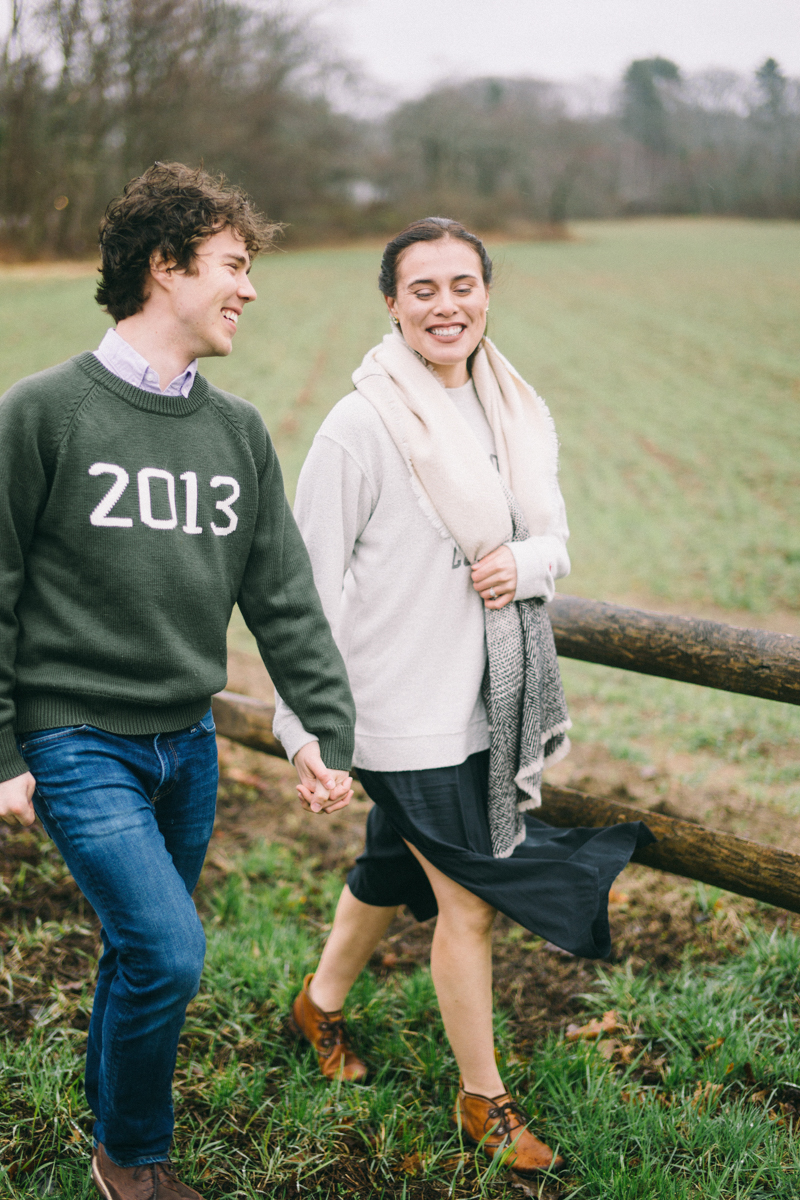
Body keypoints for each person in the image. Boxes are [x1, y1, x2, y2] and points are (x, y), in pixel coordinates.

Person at [0, 163, 355, 1200]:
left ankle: (108, 1126)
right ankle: (133, 1162)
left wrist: (314, 732)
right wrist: (6, 749)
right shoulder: (42, 412)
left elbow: (280, 594)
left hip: (184, 743)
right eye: (232, 266)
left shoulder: (236, 433)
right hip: (78, 737)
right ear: (166, 268)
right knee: (169, 951)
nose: (248, 289)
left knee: (136, 951)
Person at [274, 217, 653, 1180]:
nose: (447, 306)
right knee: (470, 901)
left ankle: (317, 1005)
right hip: (400, 713)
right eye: (423, 289)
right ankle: (483, 1098)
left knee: (393, 869)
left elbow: (556, 542)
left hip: (494, 701)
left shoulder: (516, 409)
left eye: (463, 285)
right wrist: (305, 726)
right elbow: (301, 588)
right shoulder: (362, 425)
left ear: (487, 292)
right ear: (392, 303)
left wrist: (522, 562)